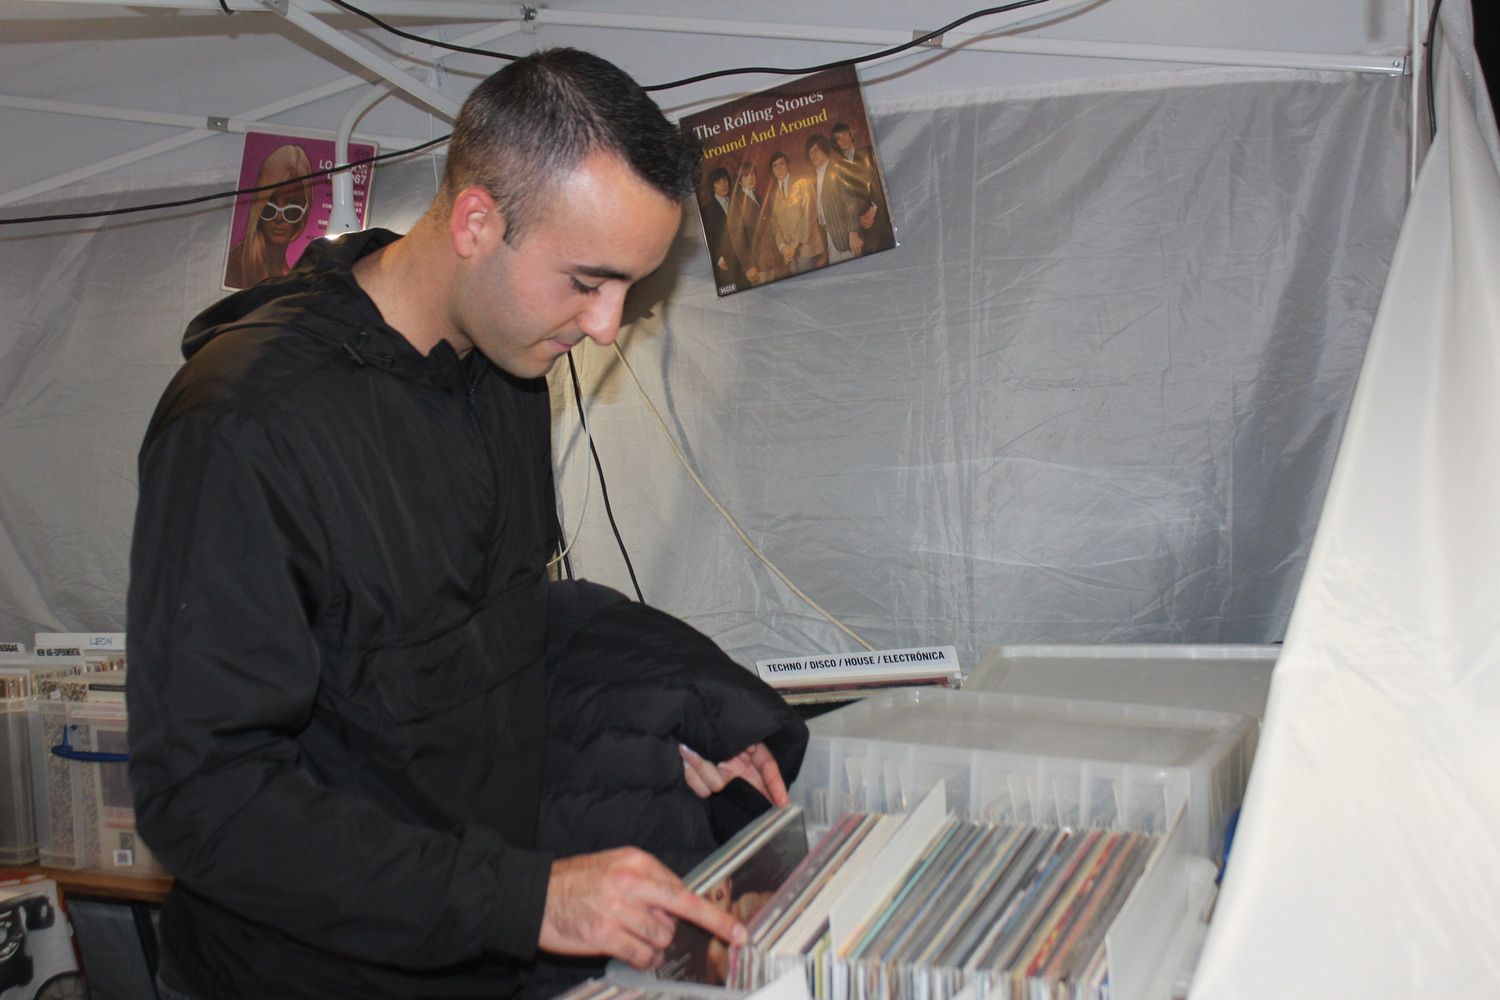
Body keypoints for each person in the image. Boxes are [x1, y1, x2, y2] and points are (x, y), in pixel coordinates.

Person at [128, 48, 800, 1000]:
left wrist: (671, 725)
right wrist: (528, 901)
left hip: (473, 955)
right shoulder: (245, 425)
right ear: (479, 219)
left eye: (631, 290)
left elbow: (502, 637)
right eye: (587, 279)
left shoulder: (503, 374)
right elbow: (205, 799)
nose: (607, 325)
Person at [223, 143, 314, 288]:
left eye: (291, 209)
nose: (278, 218)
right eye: (269, 207)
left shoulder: (290, 276)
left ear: (305, 210)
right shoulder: (236, 263)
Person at [805, 133, 873, 264]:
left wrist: (853, 233)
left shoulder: (837, 169)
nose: (813, 155)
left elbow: (851, 202)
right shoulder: (816, 176)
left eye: (816, 150)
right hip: (831, 237)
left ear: (824, 149)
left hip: (846, 238)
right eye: (810, 152)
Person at [831, 122, 894, 255]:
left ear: (850, 135)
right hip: (863, 227)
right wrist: (858, 221)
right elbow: (848, 200)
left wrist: (874, 208)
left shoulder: (869, 152)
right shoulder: (839, 168)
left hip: (882, 219)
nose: (843, 140)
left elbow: (880, 181)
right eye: (838, 138)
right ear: (836, 143)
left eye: (845, 135)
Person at [765, 150, 824, 274]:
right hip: (788, 254)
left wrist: (793, 246)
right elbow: (774, 223)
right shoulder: (773, 194)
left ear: (788, 165)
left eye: (781, 164)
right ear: (772, 170)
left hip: (806, 247)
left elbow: (809, 216)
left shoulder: (803, 183)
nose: (779, 168)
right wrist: (783, 247)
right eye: (775, 166)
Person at [725, 160, 778, 285]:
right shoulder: (735, 203)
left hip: (773, 260)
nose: (751, 178)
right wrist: (748, 266)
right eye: (746, 176)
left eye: (753, 174)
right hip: (757, 266)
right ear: (739, 180)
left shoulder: (759, 197)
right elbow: (737, 238)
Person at [699, 165, 747, 291]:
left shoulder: (737, 202)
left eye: (725, 180)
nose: (723, 184)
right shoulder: (706, 210)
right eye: (718, 182)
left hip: (745, 257)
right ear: (712, 186)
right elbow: (709, 238)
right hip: (727, 262)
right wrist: (719, 258)